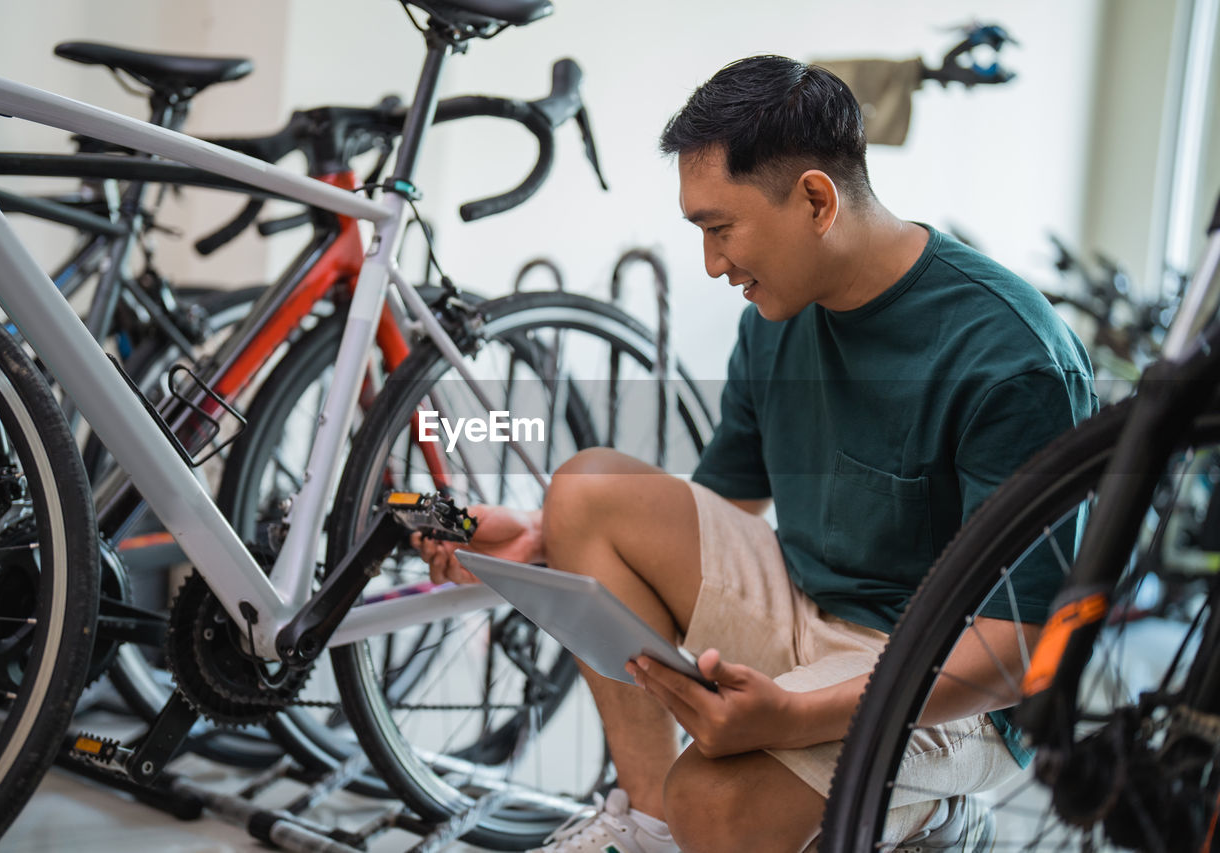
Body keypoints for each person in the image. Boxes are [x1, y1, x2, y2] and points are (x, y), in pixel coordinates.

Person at [415, 55, 1096, 853]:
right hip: (811, 609)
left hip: (954, 679)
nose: (711, 263)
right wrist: (543, 540)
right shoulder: (773, 318)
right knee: (585, 488)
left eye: (719, 227)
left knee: (716, 798)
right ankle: (647, 827)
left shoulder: (1008, 353)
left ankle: (934, 817)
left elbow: (1016, 653)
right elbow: (721, 511)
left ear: (815, 199)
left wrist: (795, 714)